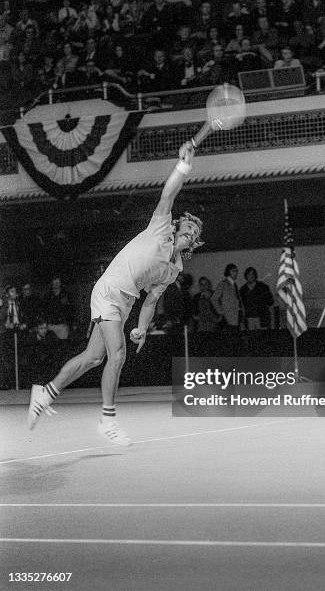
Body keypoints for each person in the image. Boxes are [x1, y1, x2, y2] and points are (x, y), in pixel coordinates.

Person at [28, 142, 203, 447]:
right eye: (187, 225)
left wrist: (141, 327)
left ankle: (46, 392)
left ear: (192, 244)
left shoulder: (173, 269)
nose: (190, 230)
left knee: (93, 358)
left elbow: (151, 300)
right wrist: (183, 166)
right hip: (108, 290)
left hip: (125, 303)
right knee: (117, 354)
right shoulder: (160, 228)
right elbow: (169, 193)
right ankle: (107, 420)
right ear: (177, 227)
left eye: (195, 233)